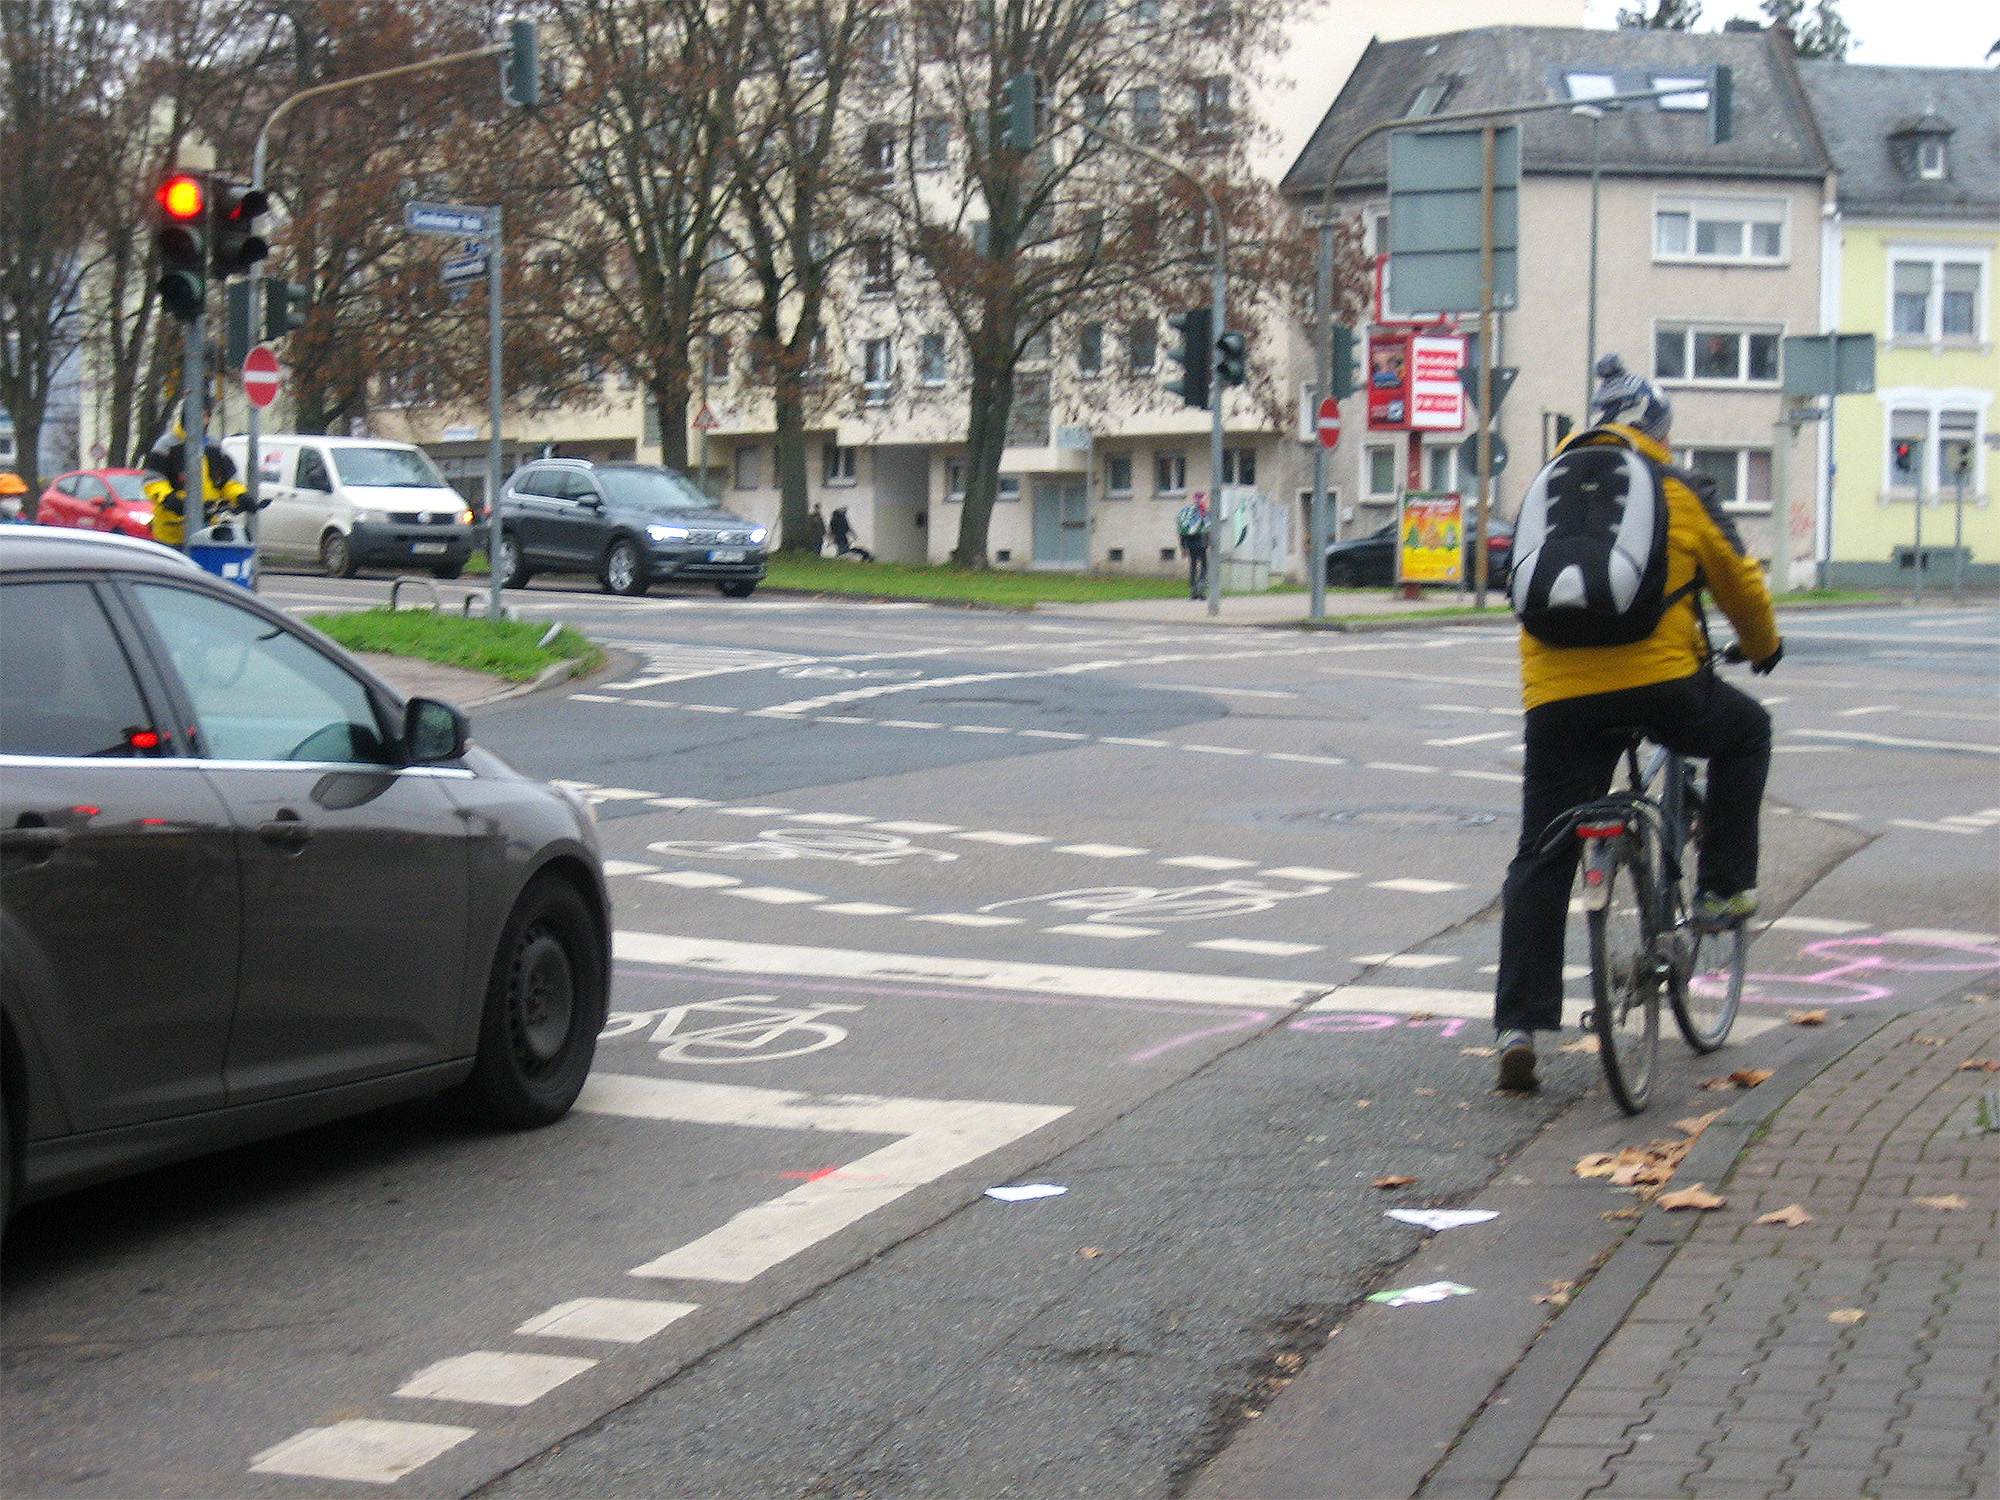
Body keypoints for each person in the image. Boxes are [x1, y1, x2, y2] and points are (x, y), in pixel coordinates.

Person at [1491, 356, 1782, 1093]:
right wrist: (1762, 648)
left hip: (1558, 698)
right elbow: (1740, 582)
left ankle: (1517, 1025)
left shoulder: (1544, 487)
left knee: (1542, 849)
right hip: (1665, 688)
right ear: (1657, 429)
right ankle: (1720, 891)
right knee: (1746, 733)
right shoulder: (1678, 490)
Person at [142, 420, 248, 548]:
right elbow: (154, 480)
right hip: (171, 533)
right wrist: (169, 499)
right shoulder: (167, 444)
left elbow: (229, 481)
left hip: (206, 530)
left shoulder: (214, 446)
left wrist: (240, 496)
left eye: (208, 415)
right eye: (202, 414)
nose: (205, 420)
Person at [1176, 494, 1210, 599]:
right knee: (1204, 566)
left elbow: (1182, 532)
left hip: (1190, 544)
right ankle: (1201, 588)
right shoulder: (1204, 513)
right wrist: (1210, 542)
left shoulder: (1187, 515)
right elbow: (1209, 529)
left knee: (1193, 567)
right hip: (1202, 544)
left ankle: (1193, 592)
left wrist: (1183, 548)